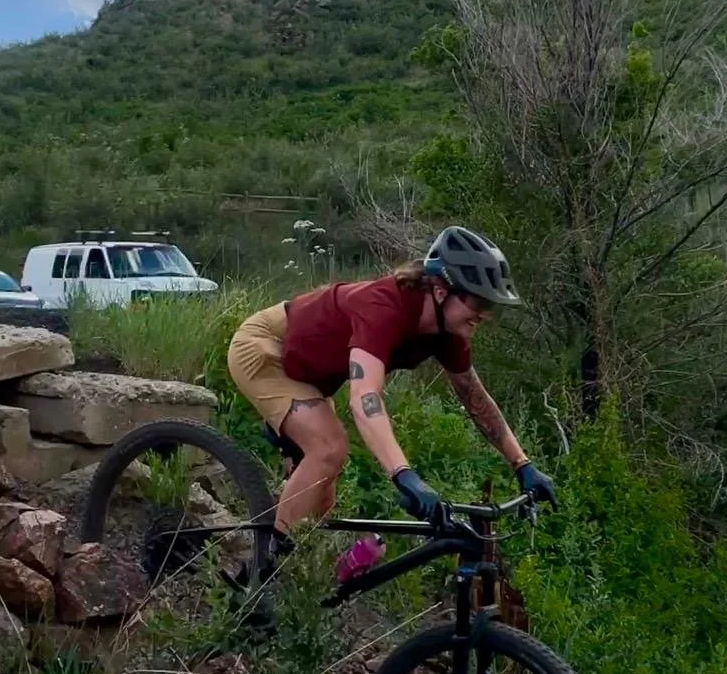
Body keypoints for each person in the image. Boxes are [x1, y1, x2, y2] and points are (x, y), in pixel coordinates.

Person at [227, 225, 556, 566]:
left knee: (321, 500)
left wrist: (522, 464)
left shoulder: (448, 332)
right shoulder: (384, 307)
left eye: (491, 306)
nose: (484, 314)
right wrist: (403, 475)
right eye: (477, 301)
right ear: (441, 291)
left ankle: (299, 571)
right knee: (329, 448)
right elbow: (365, 397)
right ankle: (263, 571)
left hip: (309, 373)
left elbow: (475, 399)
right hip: (267, 347)